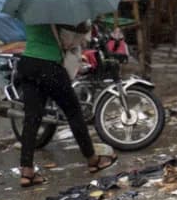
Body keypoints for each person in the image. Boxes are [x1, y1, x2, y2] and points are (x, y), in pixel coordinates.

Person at [16, 23, 116, 187]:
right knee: (74, 113)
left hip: (27, 63)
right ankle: (93, 159)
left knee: (32, 119)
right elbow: (78, 28)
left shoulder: (30, 9)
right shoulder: (55, 12)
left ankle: (27, 171)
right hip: (49, 65)